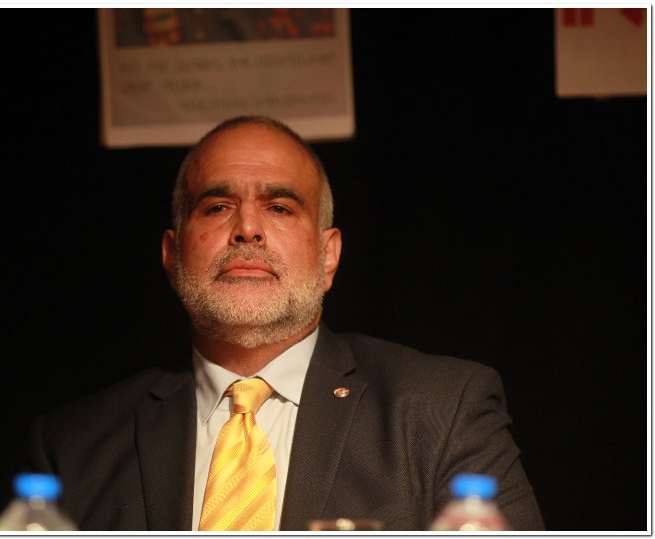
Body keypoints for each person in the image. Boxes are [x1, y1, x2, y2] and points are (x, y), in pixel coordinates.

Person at [27, 116, 545, 531]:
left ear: (328, 256)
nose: (247, 228)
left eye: (278, 207)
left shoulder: (443, 410)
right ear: (172, 253)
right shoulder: (73, 445)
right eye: (217, 206)